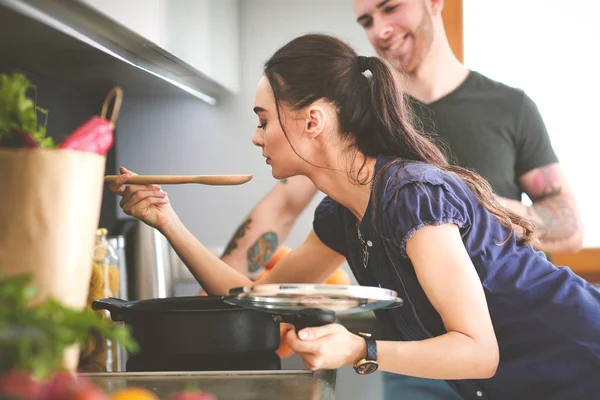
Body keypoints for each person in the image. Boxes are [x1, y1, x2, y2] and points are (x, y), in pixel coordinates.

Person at [111, 34, 600, 399]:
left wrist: (359, 349)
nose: (256, 137)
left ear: (313, 121)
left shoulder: (412, 196)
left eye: (263, 120)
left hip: (583, 358)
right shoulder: (344, 215)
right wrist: (167, 220)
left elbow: (478, 351)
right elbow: (253, 301)